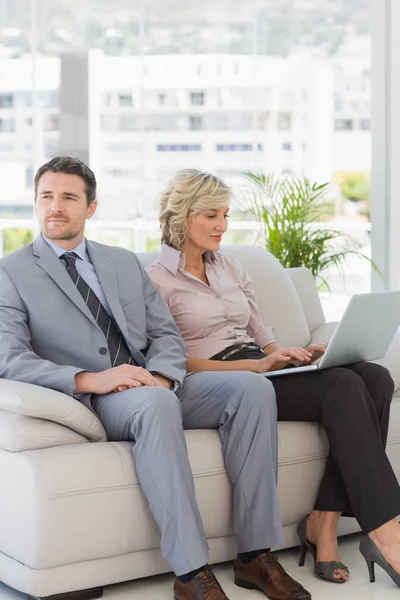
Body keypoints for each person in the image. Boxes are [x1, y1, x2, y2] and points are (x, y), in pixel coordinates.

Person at [0, 157, 312, 600]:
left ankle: (255, 555)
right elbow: (9, 359)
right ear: (35, 204)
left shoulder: (122, 262)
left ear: (90, 208)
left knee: (254, 389)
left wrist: (165, 376)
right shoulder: (11, 272)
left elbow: (165, 331)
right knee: (156, 404)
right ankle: (191, 573)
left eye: (69, 197)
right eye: (47, 196)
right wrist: (92, 379)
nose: (56, 207)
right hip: (93, 396)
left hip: (154, 383)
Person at [147, 168, 400, 588]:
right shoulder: (155, 280)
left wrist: (285, 355)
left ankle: (324, 520)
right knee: (343, 386)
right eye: (211, 215)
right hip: (222, 381)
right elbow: (175, 362)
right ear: (182, 216)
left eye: (226, 215)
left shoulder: (231, 266)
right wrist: (254, 367)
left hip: (262, 370)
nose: (222, 226)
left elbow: (260, 334)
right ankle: (386, 530)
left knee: (374, 377)